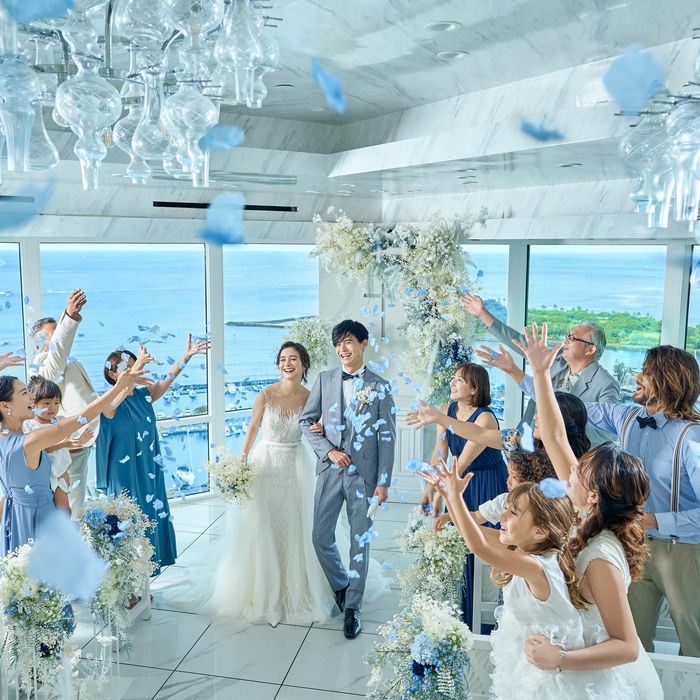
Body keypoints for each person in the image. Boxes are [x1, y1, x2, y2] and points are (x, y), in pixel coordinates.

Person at [515, 322, 662, 698]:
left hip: (605, 680)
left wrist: (559, 658)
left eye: (579, 471)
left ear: (594, 495)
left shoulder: (600, 555)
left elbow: (627, 646)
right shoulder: (585, 511)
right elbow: (554, 435)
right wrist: (541, 372)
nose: (570, 470)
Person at [420, 463, 621, 698]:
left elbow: (479, 547)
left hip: (555, 677)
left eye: (513, 513)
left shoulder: (537, 565)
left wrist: (456, 495)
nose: (502, 516)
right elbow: (474, 533)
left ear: (540, 531)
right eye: (506, 509)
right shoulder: (526, 551)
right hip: (535, 663)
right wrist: (449, 497)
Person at [578, 343, 700, 657]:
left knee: (694, 641)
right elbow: (571, 408)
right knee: (631, 638)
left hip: (682, 552)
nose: (636, 377)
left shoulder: (691, 437)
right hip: (633, 547)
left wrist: (654, 520)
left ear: (668, 380)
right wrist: (525, 374)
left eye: (645, 372)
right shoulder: (629, 417)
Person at [205, 341, 337, 624]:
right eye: (283, 359)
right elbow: (253, 428)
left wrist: (321, 427)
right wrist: (241, 461)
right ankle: (263, 589)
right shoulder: (265, 394)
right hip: (265, 463)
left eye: (293, 359)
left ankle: (296, 588)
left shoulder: (312, 397)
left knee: (294, 523)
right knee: (263, 523)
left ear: (304, 364)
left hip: (295, 463)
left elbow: (321, 427)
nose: (287, 363)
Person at [300, 319, 396, 640]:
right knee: (320, 537)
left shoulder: (381, 387)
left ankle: (353, 608)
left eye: (349, 342)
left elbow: (387, 438)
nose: (343, 348)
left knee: (359, 542)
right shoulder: (325, 379)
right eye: (338, 343)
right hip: (329, 472)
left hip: (364, 478)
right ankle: (342, 586)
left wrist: (383, 482)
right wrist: (328, 451)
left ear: (363, 344)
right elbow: (306, 421)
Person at [0, 369, 143, 556]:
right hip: (38, 521)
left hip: (13, 520)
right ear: (5, 405)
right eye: (24, 393)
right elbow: (83, 416)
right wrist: (118, 387)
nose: (31, 398)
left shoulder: (5, 440)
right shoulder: (29, 442)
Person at [97, 335, 208, 573]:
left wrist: (186, 356)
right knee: (128, 520)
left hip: (149, 468)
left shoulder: (144, 396)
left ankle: (147, 571)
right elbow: (115, 400)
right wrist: (131, 374)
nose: (135, 371)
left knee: (151, 514)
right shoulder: (108, 404)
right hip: (123, 474)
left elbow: (169, 377)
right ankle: (128, 576)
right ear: (113, 375)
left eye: (136, 366)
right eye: (127, 368)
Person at [414, 363, 507, 631]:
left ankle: (487, 620)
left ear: (474, 389)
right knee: (459, 542)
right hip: (457, 483)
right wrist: (429, 488)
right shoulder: (446, 409)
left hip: (485, 483)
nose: (452, 383)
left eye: (459, 380)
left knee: (484, 546)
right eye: (453, 378)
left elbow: (462, 464)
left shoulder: (485, 418)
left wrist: (442, 491)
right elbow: (440, 452)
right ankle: (463, 614)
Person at [461, 293, 619, 445]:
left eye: (572, 338)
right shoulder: (555, 360)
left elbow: (609, 433)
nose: (565, 341)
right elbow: (517, 341)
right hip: (529, 441)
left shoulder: (605, 384)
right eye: (567, 335)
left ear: (590, 349)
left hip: (565, 454)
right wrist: (482, 313)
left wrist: (564, 435)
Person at [31, 288, 98, 514]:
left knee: (76, 504)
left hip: (80, 441)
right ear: (38, 345)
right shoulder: (44, 368)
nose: (57, 338)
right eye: (53, 335)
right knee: (71, 508)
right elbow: (58, 351)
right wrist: (69, 316)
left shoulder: (67, 362)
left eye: (59, 332)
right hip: (67, 445)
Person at [24, 376, 95, 515]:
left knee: (65, 510)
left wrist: (79, 441)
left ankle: (63, 529)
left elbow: (67, 444)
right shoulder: (29, 425)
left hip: (60, 473)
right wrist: (64, 443)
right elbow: (39, 450)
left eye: (56, 403)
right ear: (32, 403)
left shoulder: (60, 421)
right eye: (46, 403)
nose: (53, 408)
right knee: (45, 512)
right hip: (41, 477)